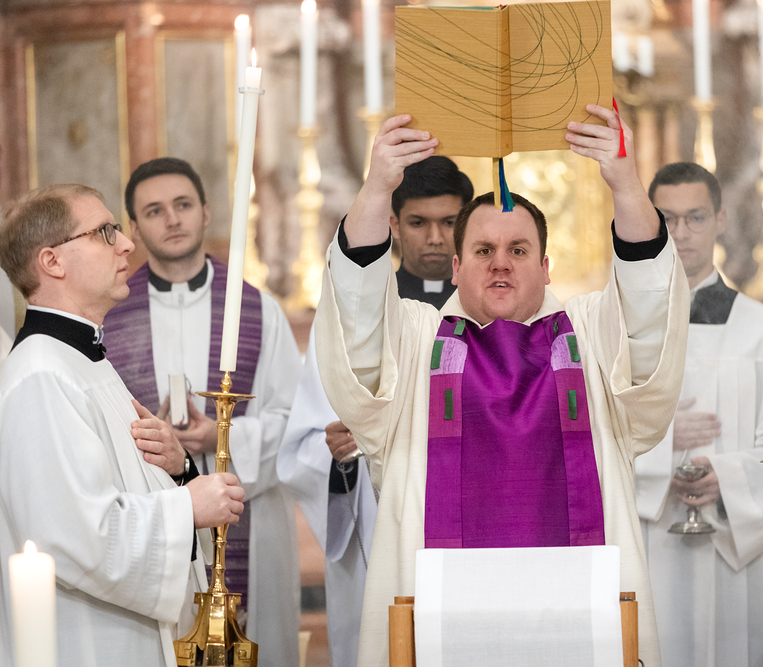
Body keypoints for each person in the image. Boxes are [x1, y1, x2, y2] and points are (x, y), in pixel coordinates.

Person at [314, 107, 689, 667]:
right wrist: (376, 189)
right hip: (438, 621)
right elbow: (357, 308)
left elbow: (648, 301)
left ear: (546, 265)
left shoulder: (593, 335)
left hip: (578, 617)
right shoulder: (414, 341)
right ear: (456, 266)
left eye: (518, 250)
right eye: (484, 251)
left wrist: (626, 183)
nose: (500, 265)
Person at [0, 185, 245, 667]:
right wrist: (187, 507)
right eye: (105, 232)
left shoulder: (82, 359)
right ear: (52, 262)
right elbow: (71, 535)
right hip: (89, 643)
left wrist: (177, 470)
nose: (127, 244)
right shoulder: (41, 375)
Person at [100, 158, 302, 666]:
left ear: (206, 212)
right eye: (154, 210)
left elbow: (296, 422)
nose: (172, 219)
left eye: (183, 205)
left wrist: (221, 438)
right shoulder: (108, 317)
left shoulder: (259, 310)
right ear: (134, 228)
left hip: (250, 520)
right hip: (153, 520)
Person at [277, 156, 473, 667]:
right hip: (382, 528)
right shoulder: (354, 318)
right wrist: (340, 456)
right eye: (418, 222)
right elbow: (303, 444)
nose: (436, 238)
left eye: (449, 222)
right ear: (393, 224)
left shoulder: (493, 311)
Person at [634, 163, 763, 667]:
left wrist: (730, 477)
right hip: (653, 545)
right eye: (666, 219)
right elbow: (588, 433)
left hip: (740, 556)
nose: (681, 233)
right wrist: (658, 444)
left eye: (695, 217)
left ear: (720, 220)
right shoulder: (619, 331)